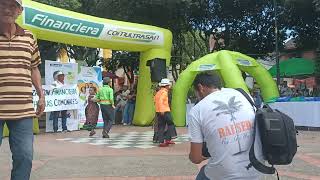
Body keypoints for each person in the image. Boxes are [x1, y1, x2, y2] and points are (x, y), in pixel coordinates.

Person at [0, 0, 45, 179]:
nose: (7, 9)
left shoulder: (29, 37)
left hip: (23, 110)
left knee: (25, 156)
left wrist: (41, 95)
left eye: (12, 6)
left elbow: (34, 67)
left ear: (20, 11)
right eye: (2, 4)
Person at [188, 72, 261, 180]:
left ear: (200, 88)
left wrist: (203, 155)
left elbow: (195, 158)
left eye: (196, 93)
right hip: (258, 168)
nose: (197, 97)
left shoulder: (197, 110)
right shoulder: (242, 94)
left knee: (204, 173)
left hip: (225, 174)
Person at [154, 78, 176, 147]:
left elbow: (154, 100)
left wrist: (159, 110)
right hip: (165, 111)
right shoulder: (164, 92)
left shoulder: (158, 92)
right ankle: (170, 138)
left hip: (158, 111)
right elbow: (160, 101)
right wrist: (162, 110)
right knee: (170, 123)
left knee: (161, 126)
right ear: (166, 86)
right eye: (168, 85)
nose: (169, 87)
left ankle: (161, 141)